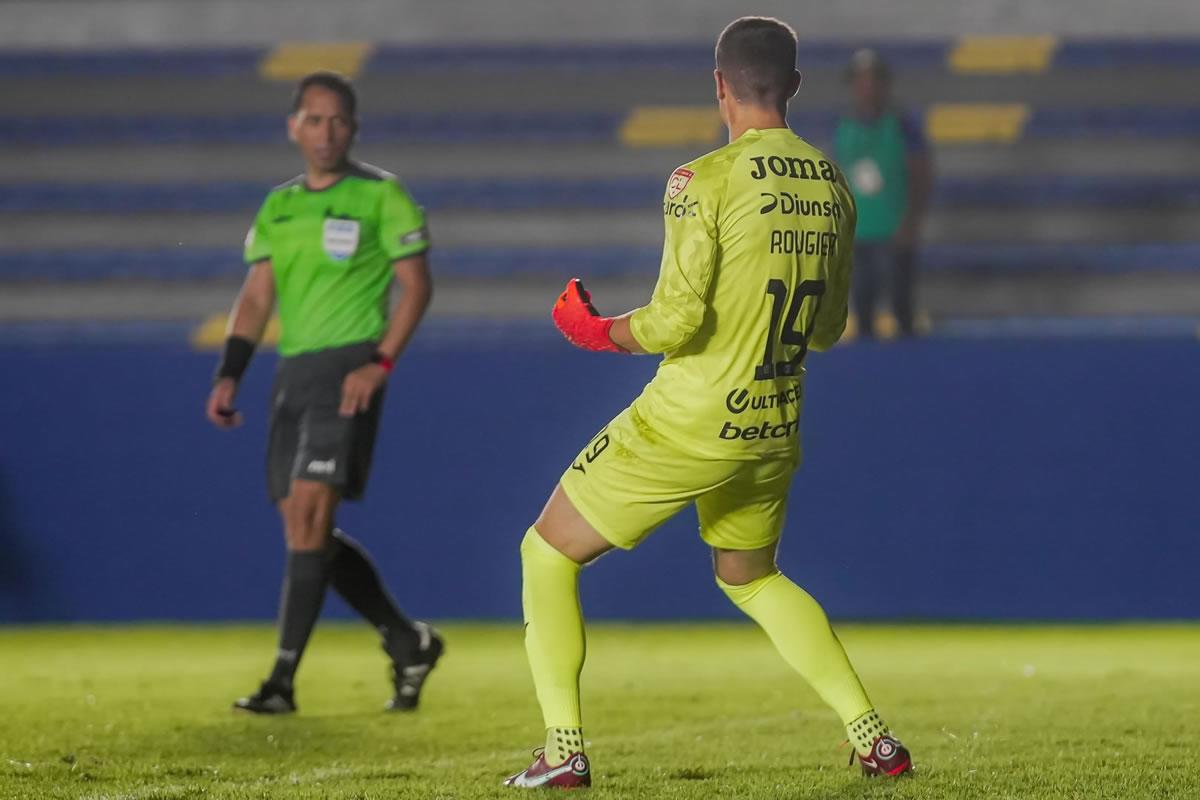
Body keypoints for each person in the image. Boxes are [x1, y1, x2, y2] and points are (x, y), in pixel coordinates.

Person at [503, 17, 912, 789]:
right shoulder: (833, 186)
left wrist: (596, 330)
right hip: (773, 424)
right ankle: (872, 738)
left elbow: (675, 321)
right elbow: (827, 331)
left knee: (545, 552)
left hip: (690, 420)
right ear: (794, 86)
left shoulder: (702, 179)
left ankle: (563, 751)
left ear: (719, 84)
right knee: (750, 577)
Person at [205, 71, 443, 715]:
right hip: (292, 373)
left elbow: (416, 287)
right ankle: (407, 639)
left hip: (349, 369)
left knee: (310, 516)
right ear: (293, 126)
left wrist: (380, 365)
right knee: (304, 528)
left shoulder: (382, 196)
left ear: (354, 127)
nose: (325, 131)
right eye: (313, 119)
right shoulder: (279, 206)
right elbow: (257, 297)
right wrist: (231, 371)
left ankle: (282, 681)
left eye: (338, 120)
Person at [833, 48, 932, 338]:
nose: (866, 88)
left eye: (872, 80)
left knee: (901, 308)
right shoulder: (844, 125)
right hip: (859, 231)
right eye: (860, 81)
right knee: (862, 307)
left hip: (894, 230)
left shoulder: (903, 124)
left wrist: (911, 222)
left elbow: (921, 174)